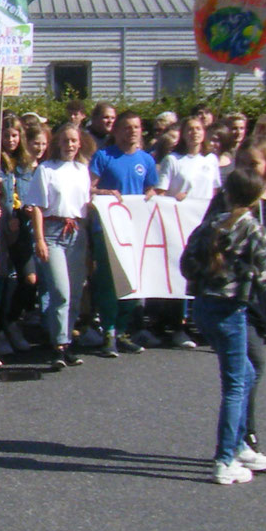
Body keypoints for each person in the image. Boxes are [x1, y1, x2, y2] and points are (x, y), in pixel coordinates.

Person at [180, 166, 266, 486]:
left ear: (226, 194)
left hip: (203, 306)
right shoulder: (255, 231)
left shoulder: (209, 226)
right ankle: (225, 458)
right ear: (257, 199)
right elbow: (263, 279)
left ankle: (239, 444)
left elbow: (186, 264)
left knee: (247, 373)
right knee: (235, 385)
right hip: (230, 311)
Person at [89, 110, 163, 356]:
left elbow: (152, 189)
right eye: (127, 127)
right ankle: (107, 331)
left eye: (137, 127)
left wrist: (152, 195)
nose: (132, 131)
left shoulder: (147, 160)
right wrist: (104, 194)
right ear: (116, 131)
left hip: (136, 231)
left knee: (134, 282)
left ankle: (122, 330)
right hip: (108, 230)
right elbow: (88, 189)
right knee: (110, 282)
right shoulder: (103, 157)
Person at [35, 121, 93, 368]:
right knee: (60, 291)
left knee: (76, 292)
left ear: (79, 143)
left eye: (73, 140)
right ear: (57, 142)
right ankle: (58, 344)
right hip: (53, 231)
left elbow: (86, 206)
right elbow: (37, 206)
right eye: (65, 140)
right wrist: (39, 239)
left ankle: (67, 340)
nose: (69, 145)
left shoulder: (82, 169)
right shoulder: (46, 169)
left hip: (77, 232)